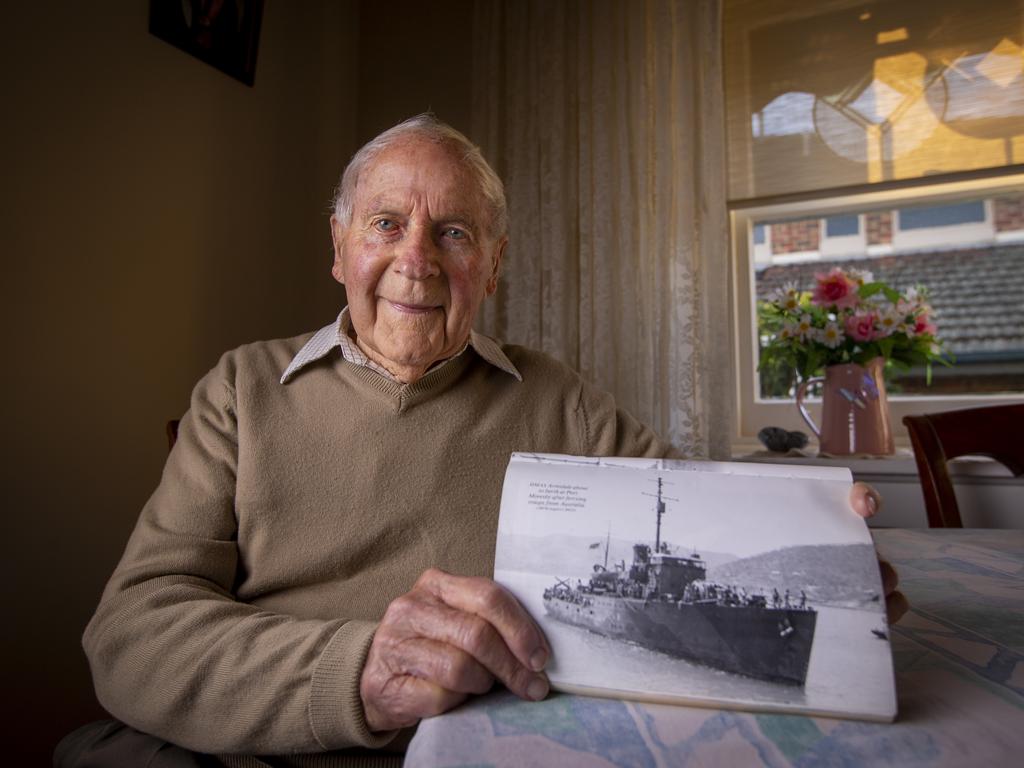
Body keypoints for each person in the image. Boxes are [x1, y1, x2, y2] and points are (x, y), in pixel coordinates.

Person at [61, 115, 905, 767]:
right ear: (339, 248)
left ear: (493, 268)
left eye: (454, 233)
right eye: (386, 224)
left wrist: (826, 553)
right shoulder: (241, 392)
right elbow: (132, 635)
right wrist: (358, 670)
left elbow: (697, 516)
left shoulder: (562, 403)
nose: (417, 261)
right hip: (255, 752)